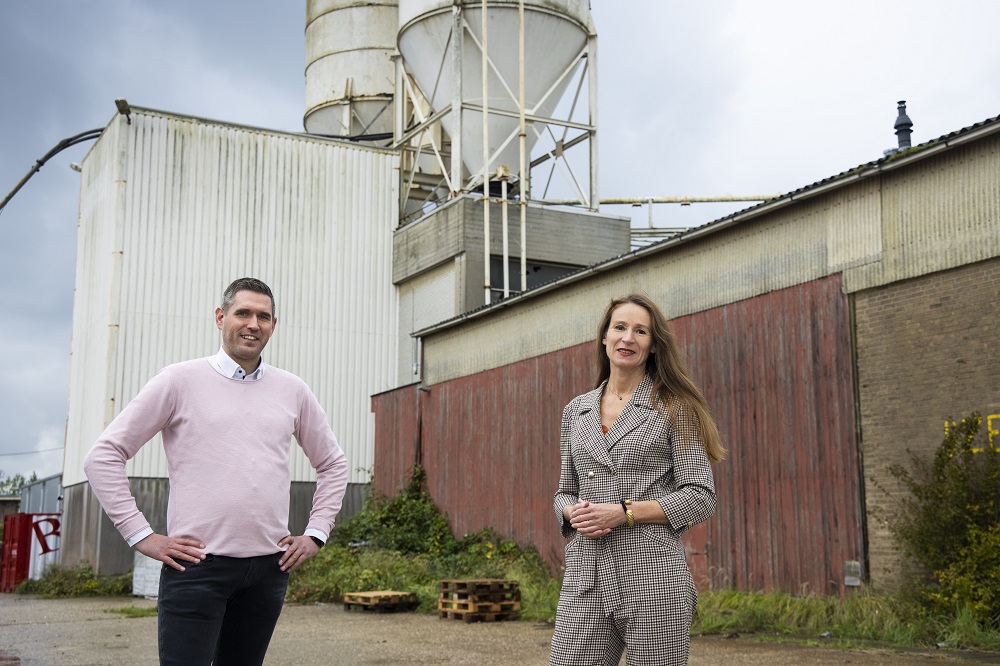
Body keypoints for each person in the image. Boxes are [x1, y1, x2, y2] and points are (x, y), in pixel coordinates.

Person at [84, 277, 348, 666]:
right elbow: (103, 455)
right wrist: (141, 536)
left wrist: (316, 534)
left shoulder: (293, 390)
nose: (253, 324)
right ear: (221, 317)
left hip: (267, 571)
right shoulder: (178, 381)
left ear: (274, 325)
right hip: (197, 569)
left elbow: (333, 463)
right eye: (243, 313)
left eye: (263, 316)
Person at [549, 293, 727, 666]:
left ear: (653, 345)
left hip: (652, 575)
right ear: (604, 337)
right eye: (620, 327)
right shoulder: (576, 411)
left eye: (640, 331)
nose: (628, 338)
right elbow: (564, 491)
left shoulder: (675, 407)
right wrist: (570, 512)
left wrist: (624, 512)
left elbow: (700, 495)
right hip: (586, 574)